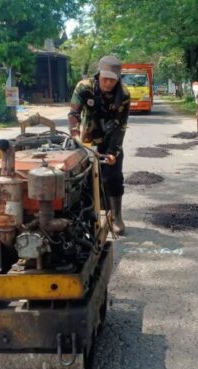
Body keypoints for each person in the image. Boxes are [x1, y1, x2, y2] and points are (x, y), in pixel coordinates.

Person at [68, 55, 131, 235]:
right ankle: (92, 216)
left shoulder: (124, 95)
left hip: (110, 141)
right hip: (87, 141)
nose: (108, 83)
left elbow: (121, 126)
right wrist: (75, 136)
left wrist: (113, 152)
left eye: (113, 80)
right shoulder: (84, 87)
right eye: (105, 79)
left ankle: (116, 216)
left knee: (113, 178)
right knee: (85, 180)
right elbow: (73, 114)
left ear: (118, 79)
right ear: (99, 75)